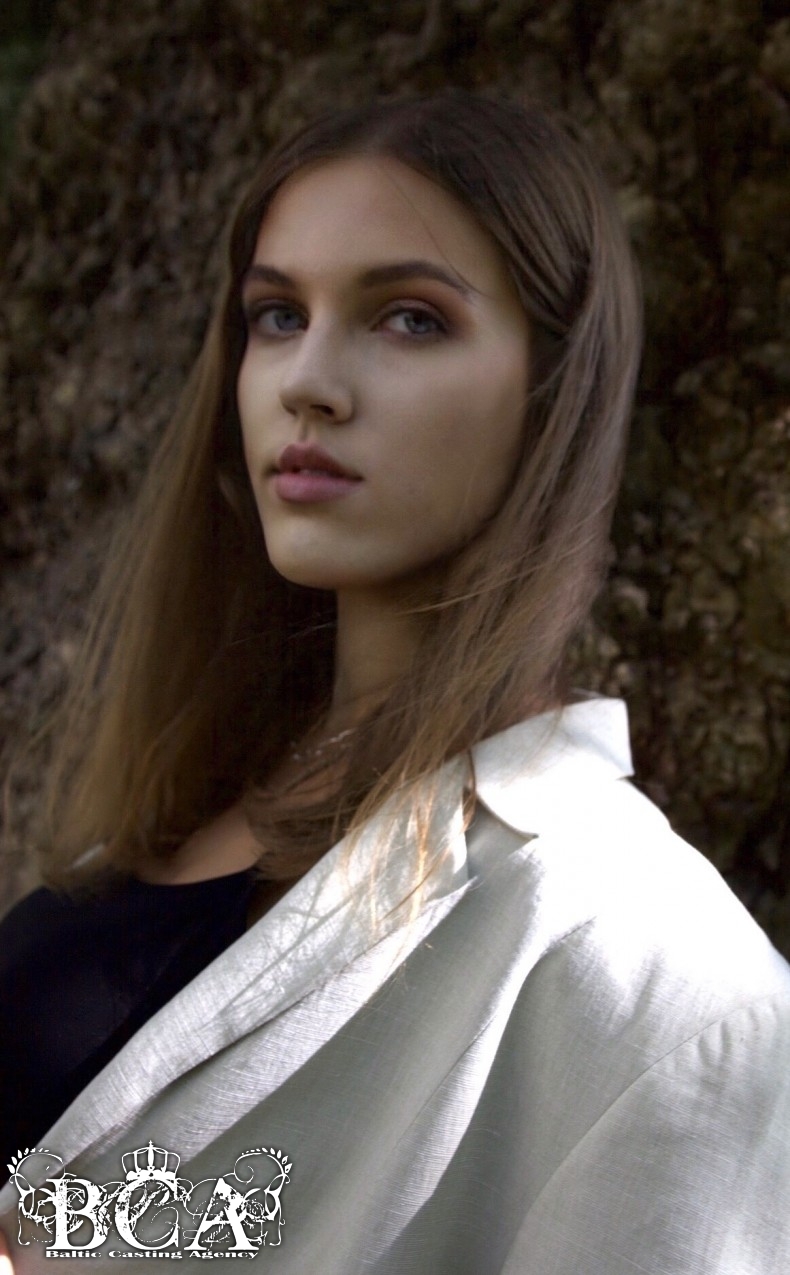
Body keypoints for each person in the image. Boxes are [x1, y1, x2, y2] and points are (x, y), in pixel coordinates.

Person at [1, 89, 789, 1273]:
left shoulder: (660, 979)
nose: (308, 381)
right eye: (277, 315)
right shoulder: (195, 795)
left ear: (553, 388)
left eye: (410, 319)